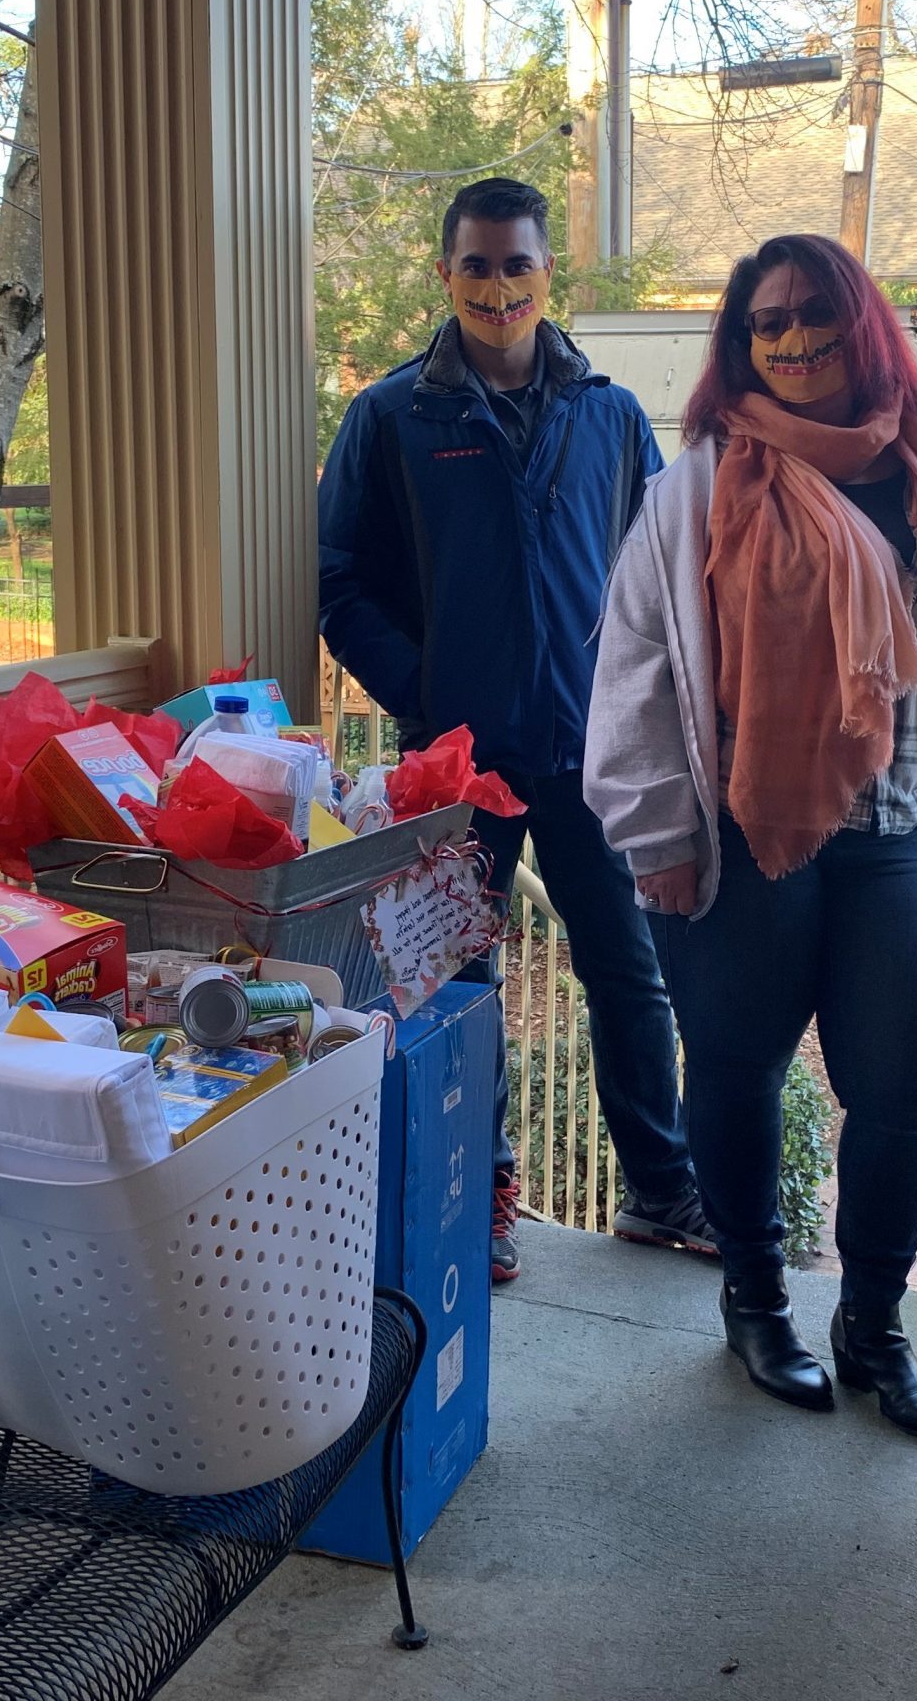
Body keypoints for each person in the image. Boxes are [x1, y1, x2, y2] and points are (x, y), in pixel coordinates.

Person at [584, 232, 917, 1441]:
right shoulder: (702, 483)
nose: (792, 337)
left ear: (861, 319)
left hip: (896, 828)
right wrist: (652, 828)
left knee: (914, 1076)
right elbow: (635, 667)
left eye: (814, 310)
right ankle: (756, 1298)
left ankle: (870, 1324)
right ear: (740, 346)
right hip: (743, 826)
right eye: (764, 322)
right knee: (732, 1067)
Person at [319, 175, 711, 1284]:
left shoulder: (610, 415)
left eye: (517, 263)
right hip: (455, 770)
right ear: (445, 275)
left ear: (549, 274)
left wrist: (650, 715)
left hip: (594, 755)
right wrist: (425, 697)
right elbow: (337, 580)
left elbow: (657, 580)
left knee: (628, 973)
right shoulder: (393, 418)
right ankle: (479, 1197)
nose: (498, 285)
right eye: (477, 265)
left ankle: (660, 1192)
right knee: (455, 982)